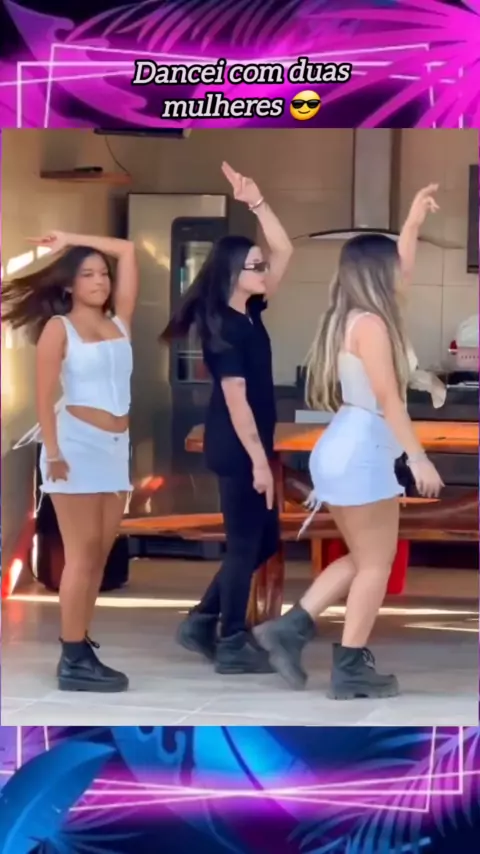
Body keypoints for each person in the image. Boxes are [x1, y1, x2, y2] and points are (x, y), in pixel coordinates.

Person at [253, 184, 444, 700]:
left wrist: (412, 223)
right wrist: (418, 457)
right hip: (362, 452)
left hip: (346, 447)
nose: (404, 272)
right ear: (380, 274)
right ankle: (350, 667)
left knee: (364, 556)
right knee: (377, 563)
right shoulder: (373, 326)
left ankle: (290, 629)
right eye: (395, 266)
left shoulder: (356, 316)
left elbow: (405, 266)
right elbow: (389, 399)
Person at [160, 161, 293, 674]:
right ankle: (232, 640)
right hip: (237, 445)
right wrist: (259, 461)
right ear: (233, 275)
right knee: (244, 544)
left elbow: (285, 250)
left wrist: (256, 202)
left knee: (263, 541)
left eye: (260, 265)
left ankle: (201, 621)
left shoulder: (249, 312)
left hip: (247, 444)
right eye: (255, 266)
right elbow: (237, 402)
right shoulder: (224, 328)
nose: (264, 270)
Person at [3, 230, 138, 692]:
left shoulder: (120, 323)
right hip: (75, 447)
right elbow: (43, 398)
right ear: (69, 284)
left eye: (103, 274)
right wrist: (55, 454)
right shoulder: (59, 329)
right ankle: (72, 654)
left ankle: (81, 643)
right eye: (87, 274)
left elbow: (129, 250)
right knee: (82, 552)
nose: (99, 281)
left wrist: (70, 238)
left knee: (99, 552)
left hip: (115, 449)